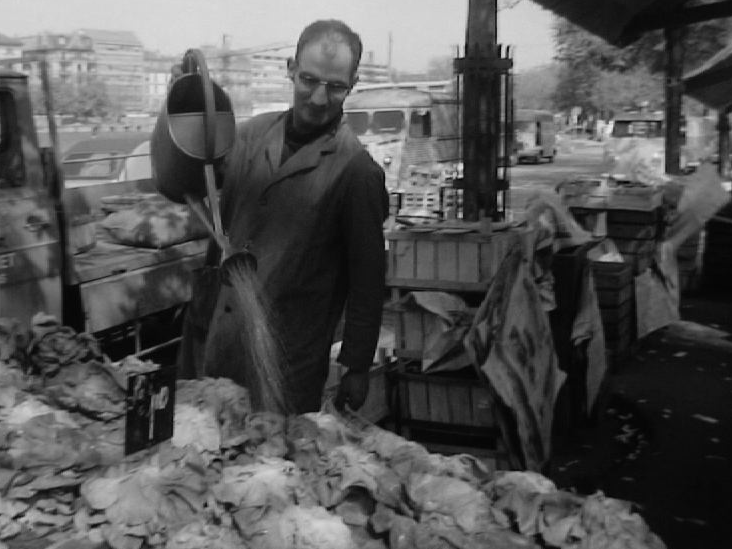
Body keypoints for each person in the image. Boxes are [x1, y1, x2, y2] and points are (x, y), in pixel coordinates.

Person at [155, 19, 388, 414]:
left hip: (285, 358)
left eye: (334, 87)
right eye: (308, 80)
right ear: (290, 69)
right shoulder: (248, 136)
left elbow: (368, 280)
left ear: (353, 83)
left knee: (268, 465)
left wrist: (357, 365)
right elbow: (184, 186)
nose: (318, 98)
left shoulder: (356, 172)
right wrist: (179, 111)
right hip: (214, 338)